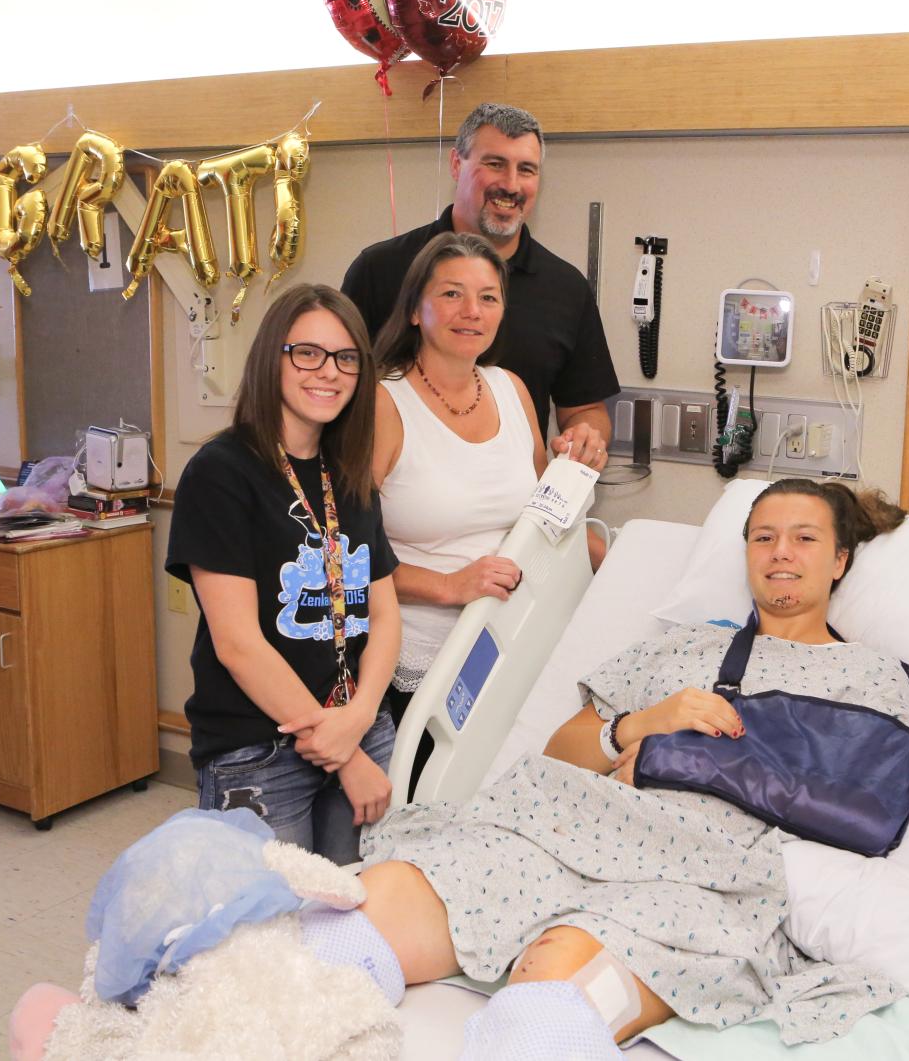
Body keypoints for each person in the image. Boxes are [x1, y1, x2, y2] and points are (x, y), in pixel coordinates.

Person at [318, 479, 909, 1054]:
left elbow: (863, 809)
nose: (780, 552)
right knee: (349, 927)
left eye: (804, 538)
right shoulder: (685, 646)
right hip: (565, 828)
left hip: (698, 872)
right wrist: (642, 724)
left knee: (548, 1003)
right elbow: (564, 750)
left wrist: (682, 760)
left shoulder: (868, 676)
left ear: (840, 560)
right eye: (763, 537)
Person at [165, 284, 402, 864]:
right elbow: (238, 645)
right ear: (273, 356)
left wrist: (361, 720)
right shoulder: (221, 473)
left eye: (347, 358)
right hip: (260, 749)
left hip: (359, 729)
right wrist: (341, 752)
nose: (329, 372)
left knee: (352, 920)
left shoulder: (347, 474)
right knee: (267, 933)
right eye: (308, 353)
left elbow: (385, 611)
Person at [341, 102, 618, 469]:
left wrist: (585, 438)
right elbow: (338, 387)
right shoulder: (381, 270)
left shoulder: (565, 288)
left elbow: (584, 407)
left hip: (512, 500)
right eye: (495, 164)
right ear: (457, 164)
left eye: (527, 169)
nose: (511, 184)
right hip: (400, 504)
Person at [372, 232, 551, 735]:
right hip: (417, 657)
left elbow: (544, 517)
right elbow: (342, 553)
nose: (471, 310)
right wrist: (449, 586)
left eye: (488, 297)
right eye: (451, 293)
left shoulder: (511, 389)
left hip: (510, 639)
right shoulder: (383, 401)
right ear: (414, 310)